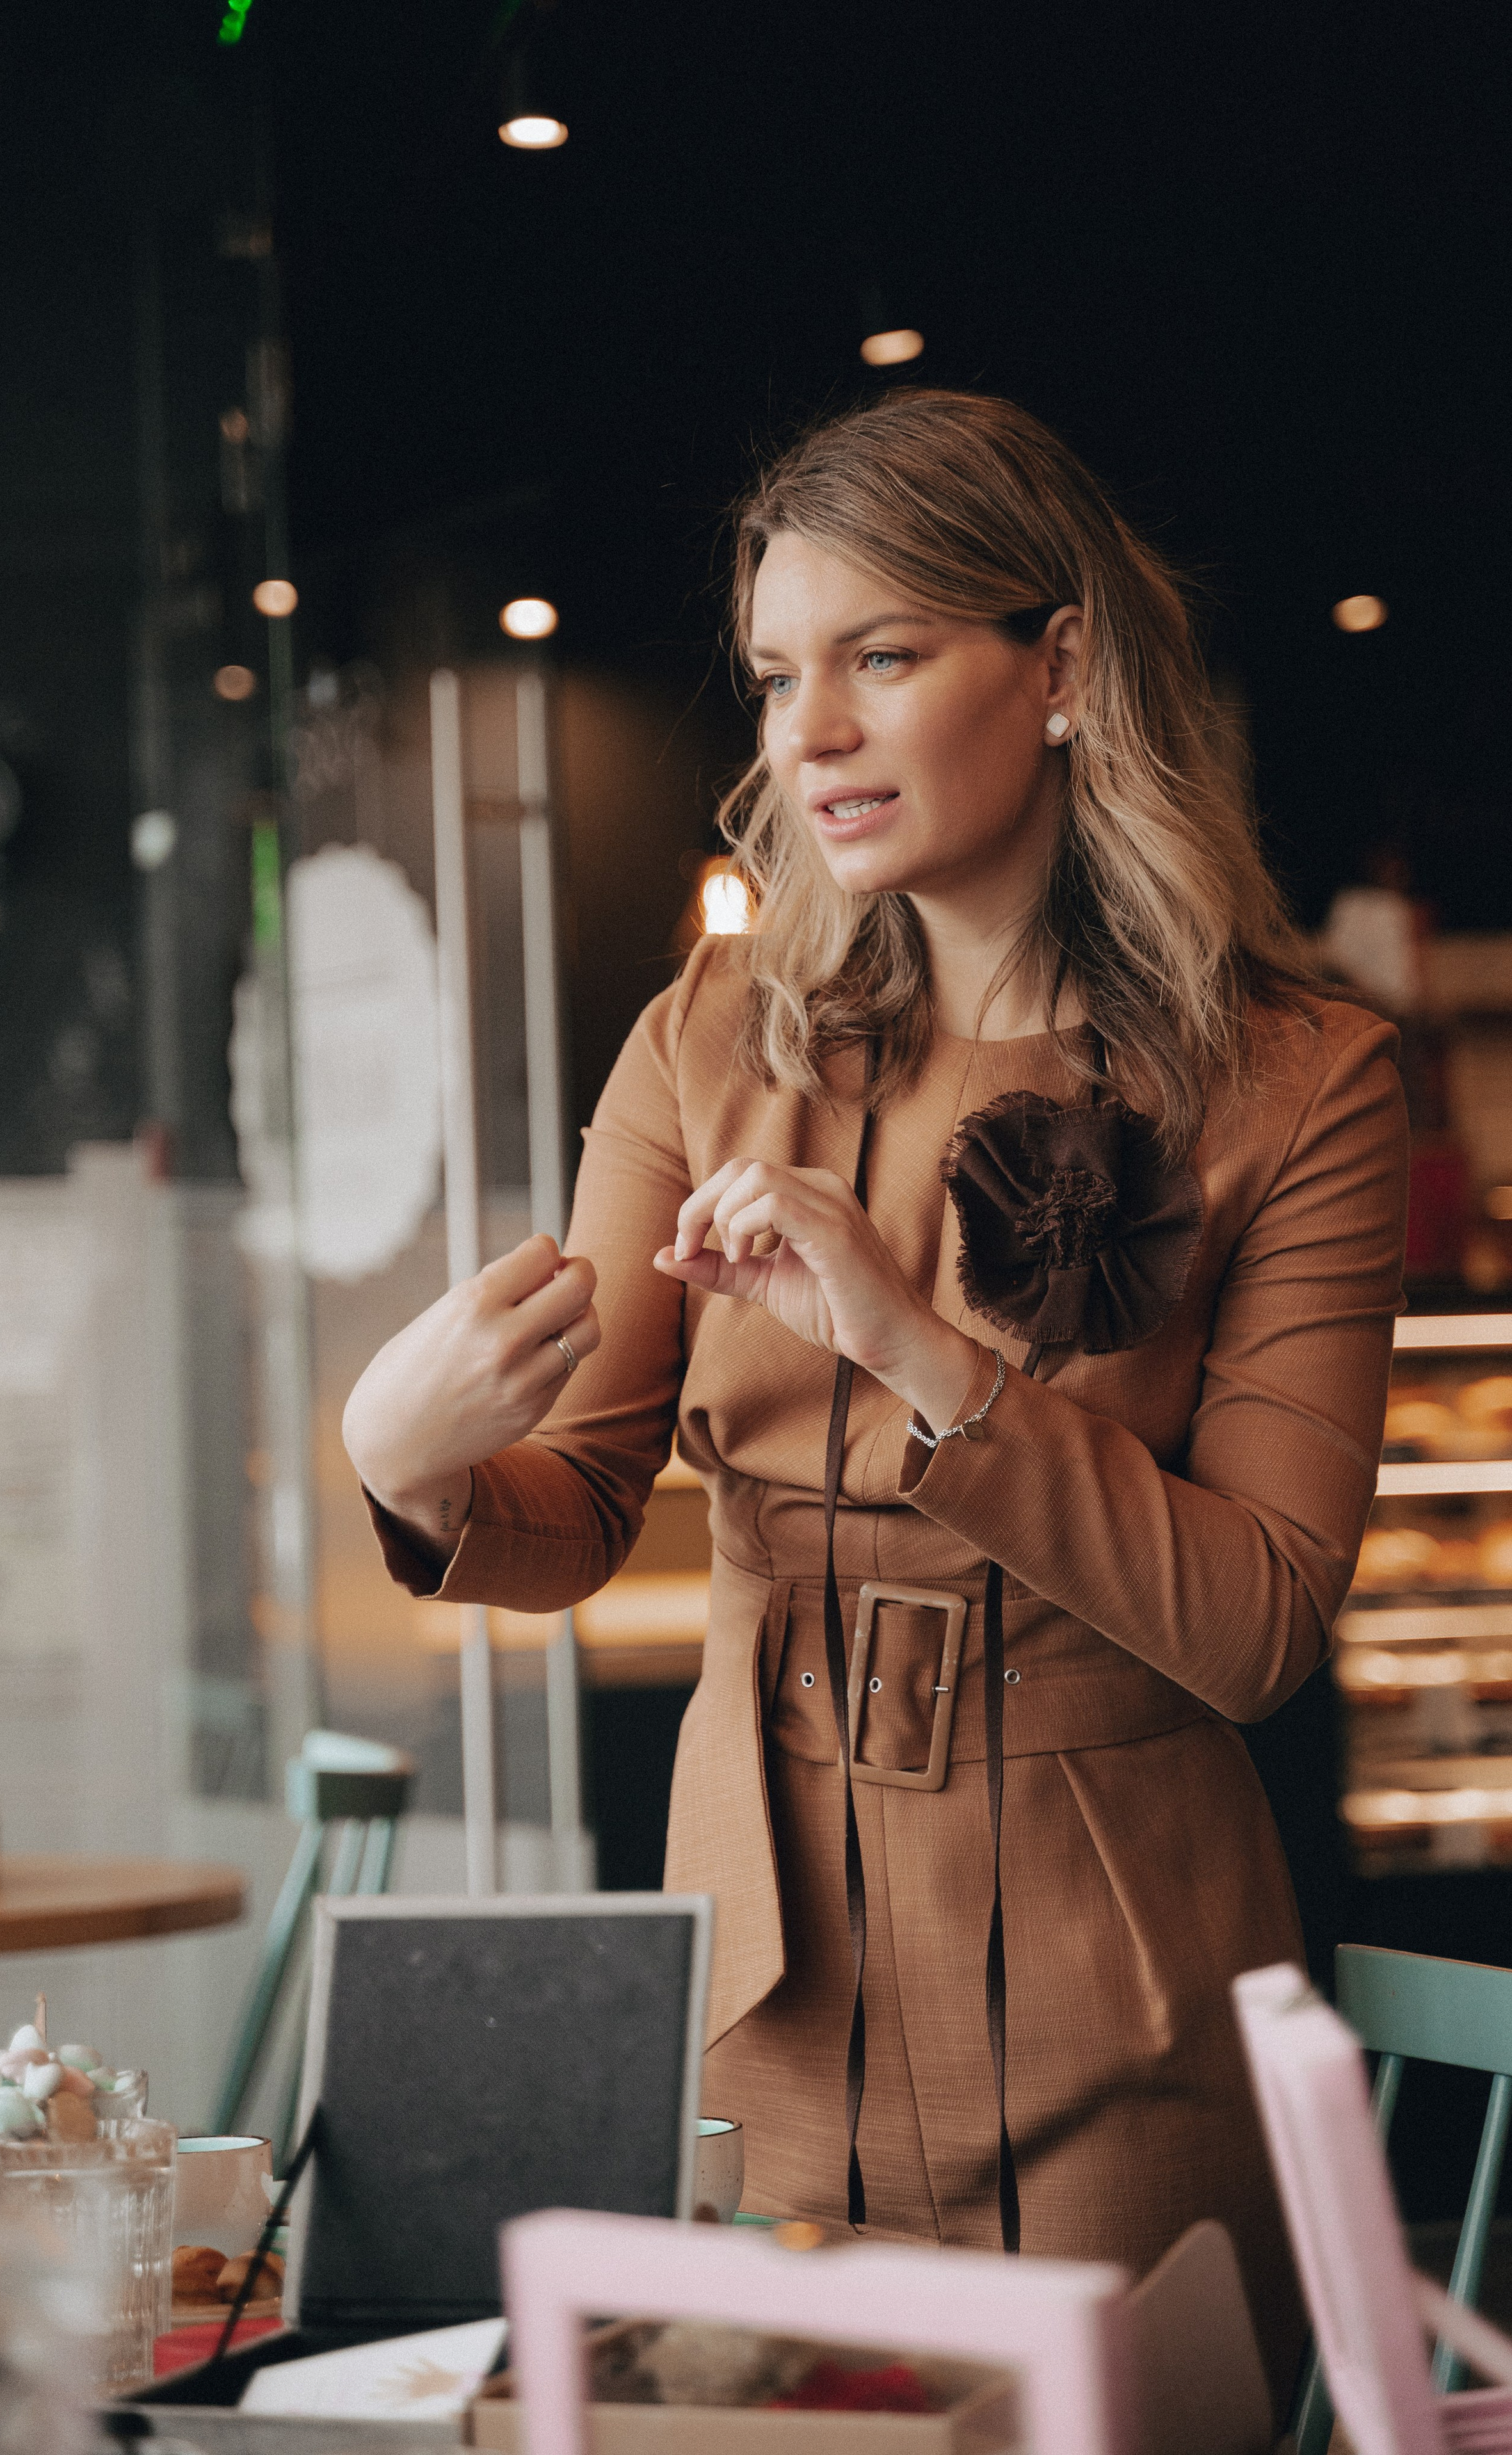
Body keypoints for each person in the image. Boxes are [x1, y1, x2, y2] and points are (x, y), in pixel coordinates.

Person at [343, 389, 1407, 2399]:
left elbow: (1262, 1619)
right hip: (762, 1997)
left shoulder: (1302, 1081)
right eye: (772, 676)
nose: (807, 733)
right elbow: (571, 1504)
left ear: (1066, 662)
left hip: (1130, 2021)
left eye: (883, 656)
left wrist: (915, 1347)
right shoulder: (703, 1039)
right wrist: (407, 1468)